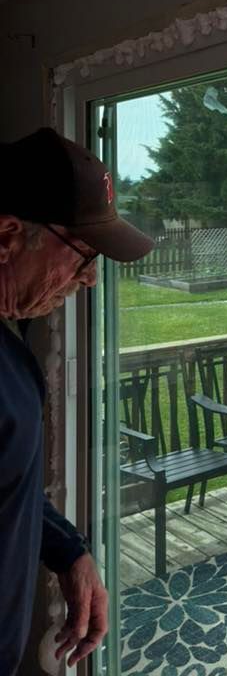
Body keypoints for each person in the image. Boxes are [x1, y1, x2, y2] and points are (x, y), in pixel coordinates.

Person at [0, 128, 154, 673]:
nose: (89, 278)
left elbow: (8, 479)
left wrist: (70, 551)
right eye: (83, 254)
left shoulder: (11, 335)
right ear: (8, 236)